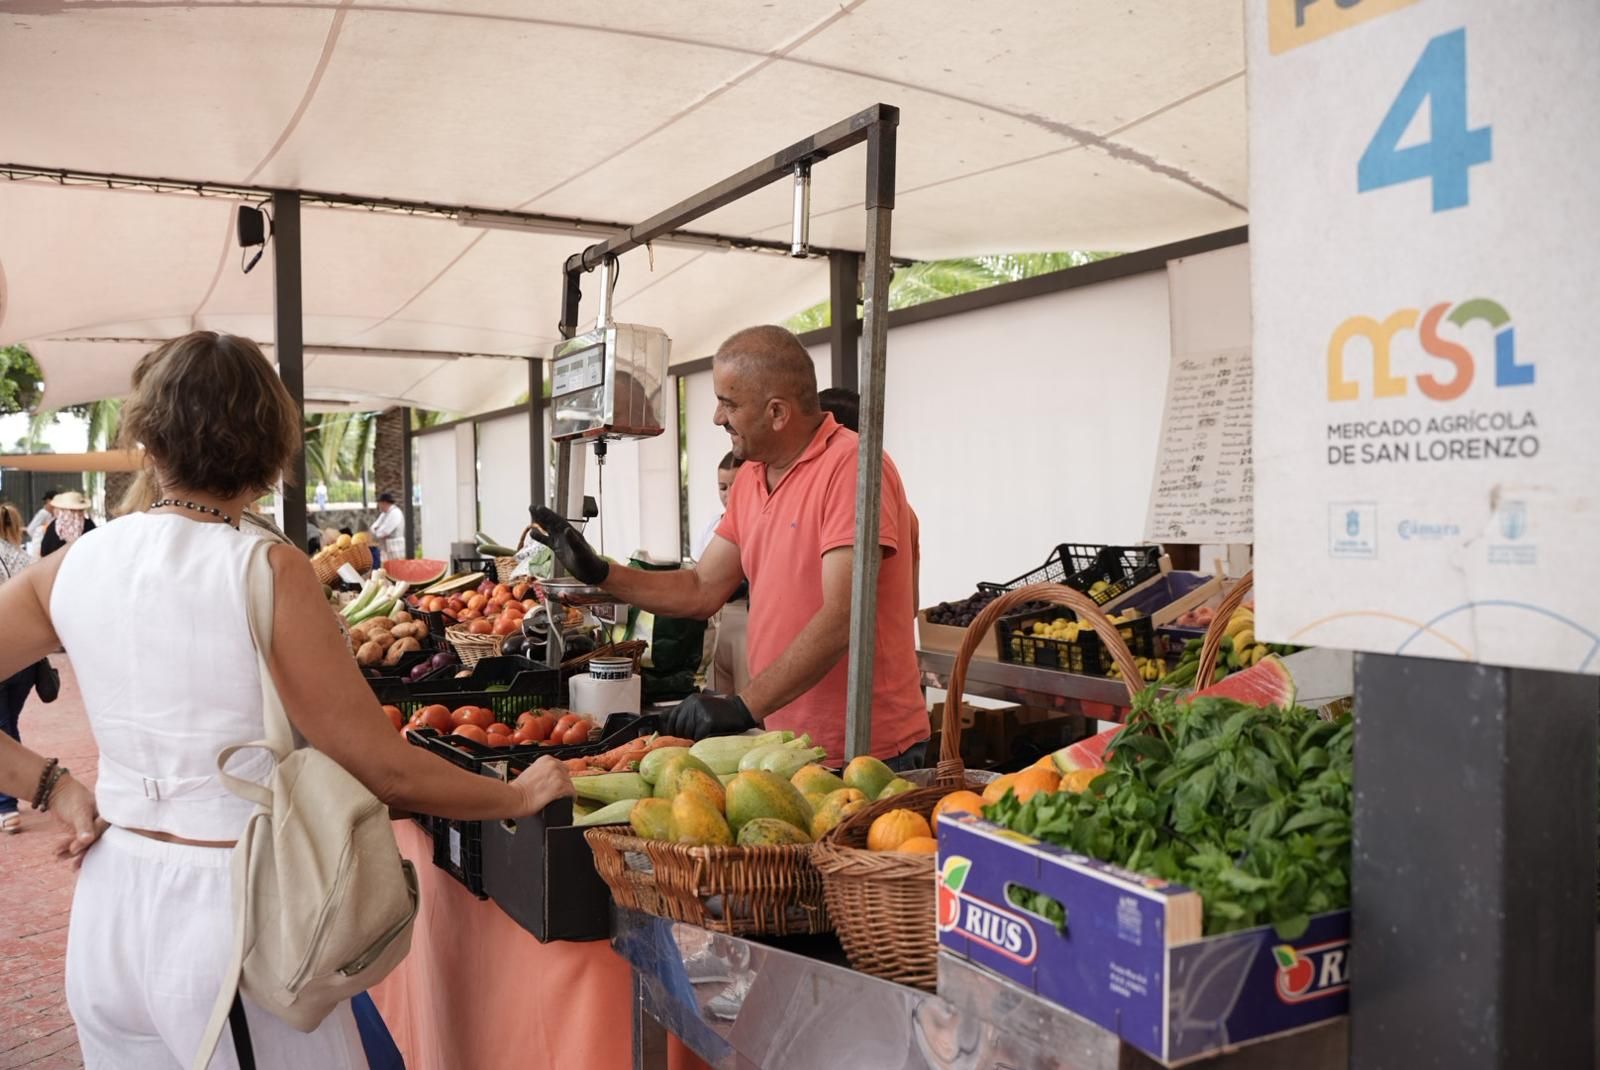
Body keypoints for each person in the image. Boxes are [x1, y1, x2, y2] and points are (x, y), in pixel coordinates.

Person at [0, 330, 573, 1069]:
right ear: (270, 443)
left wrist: (50, 786)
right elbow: (380, 766)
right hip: (233, 922)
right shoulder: (266, 567)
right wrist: (515, 795)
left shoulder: (72, 564)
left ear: (149, 436)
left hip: (111, 911)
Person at [532, 325, 928, 768]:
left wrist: (744, 705)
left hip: (867, 749)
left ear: (777, 412)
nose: (717, 418)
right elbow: (702, 587)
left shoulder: (852, 467)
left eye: (729, 403)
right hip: (785, 745)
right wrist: (603, 574)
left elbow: (843, 617)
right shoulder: (753, 478)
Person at [819, 387, 923, 615]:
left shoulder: (858, 506)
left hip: (865, 648)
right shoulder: (906, 512)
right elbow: (911, 605)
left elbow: (841, 612)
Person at [0, 502, 38, 833]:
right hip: (26, 660)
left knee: (4, 728)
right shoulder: (21, 558)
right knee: (8, 723)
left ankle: (6, 805)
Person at [692, 452, 743, 560]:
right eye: (723, 488)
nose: (729, 494)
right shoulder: (712, 525)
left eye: (736, 487)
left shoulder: (758, 527)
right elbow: (695, 567)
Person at [39, 490, 95, 557]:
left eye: (79, 510)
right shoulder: (89, 525)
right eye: (72, 511)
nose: (76, 514)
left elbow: (44, 552)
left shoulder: (54, 526)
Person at [370, 491, 405, 561]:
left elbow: (384, 532)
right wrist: (377, 530)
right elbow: (373, 528)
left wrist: (378, 530)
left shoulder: (395, 513)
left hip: (396, 548)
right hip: (386, 549)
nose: (378, 505)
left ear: (385, 503)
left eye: (379, 503)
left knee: (396, 568)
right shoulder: (384, 514)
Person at [26, 487, 60, 557]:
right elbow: (30, 530)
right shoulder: (43, 513)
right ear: (48, 501)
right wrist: (42, 532)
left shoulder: (52, 514)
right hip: (41, 546)